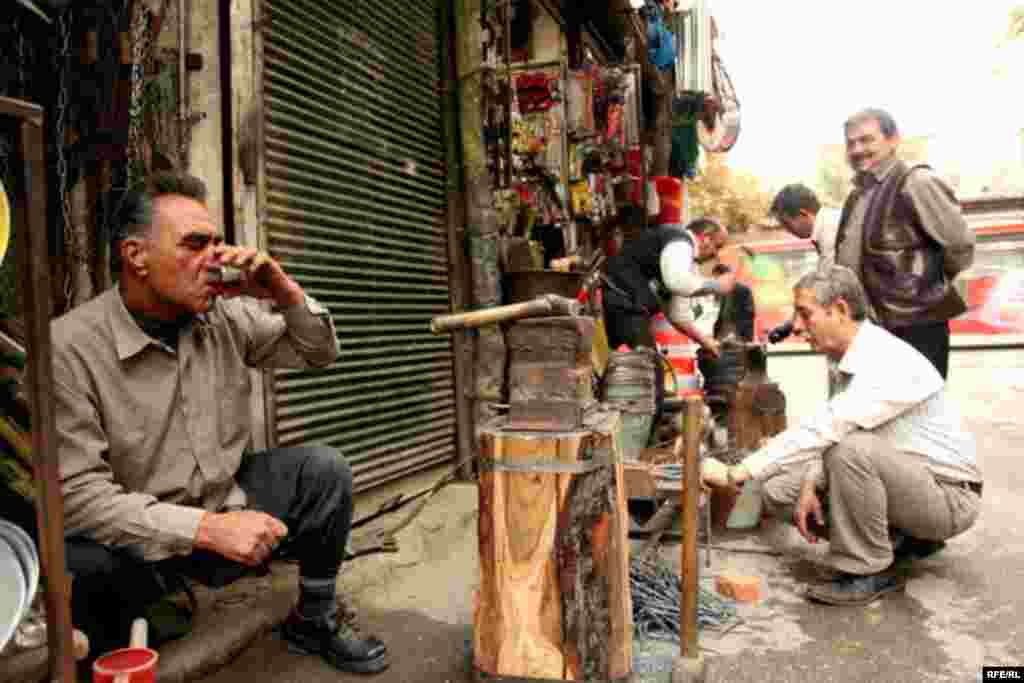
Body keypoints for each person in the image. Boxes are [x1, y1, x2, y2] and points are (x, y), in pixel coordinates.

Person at [52, 173, 389, 674]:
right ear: (135, 255)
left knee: (323, 470)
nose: (215, 258)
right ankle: (131, 636)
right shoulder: (71, 347)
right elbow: (79, 498)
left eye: (216, 243)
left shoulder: (224, 318)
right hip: (144, 541)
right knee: (84, 562)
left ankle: (312, 617)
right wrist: (207, 529)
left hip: (223, 503)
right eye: (194, 244)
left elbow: (319, 352)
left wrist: (284, 290)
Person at [702, 266, 982, 606]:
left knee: (849, 452)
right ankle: (901, 539)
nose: (799, 327)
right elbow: (842, 430)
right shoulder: (851, 360)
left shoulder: (886, 360)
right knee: (778, 490)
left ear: (840, 310)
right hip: (911, 480)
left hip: (948, 497)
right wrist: (809, 483)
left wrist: (739, 471)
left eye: (806, 314)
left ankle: (868, 569)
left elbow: (829, 428)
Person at [834, 108, 975, 379]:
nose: (857, 149)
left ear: (893, 140)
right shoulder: (857, 195)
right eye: (851, 143)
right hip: (872, 330)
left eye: (866, 140)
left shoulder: (917, 181)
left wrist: (925, 288)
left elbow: (960, 246)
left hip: (914, 327)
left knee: (917, 414)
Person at [602, 216, 733, 423]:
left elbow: (677, 313)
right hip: (621, 302)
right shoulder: (680, 241)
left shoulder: (684, 259)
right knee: (647, 374)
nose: (715, 254)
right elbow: (677, 282)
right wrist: (716, 286)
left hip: (628, 307)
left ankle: (646, 431)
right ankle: (640, 434)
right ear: (705, 237)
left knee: (650, 375)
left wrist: (706, 342)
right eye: (717, 246)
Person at [766, 183, 835, 344]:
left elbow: (827, 285)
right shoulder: (828, 226)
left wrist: (792, 323)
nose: (788, 231)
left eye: (787, 224)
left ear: (803, 214)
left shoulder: (830, 232)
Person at [711, 263, 754, 343]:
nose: (716, 281)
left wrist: (735, 334)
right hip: (723, 336)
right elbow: (721, 316)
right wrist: (716, 336)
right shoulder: (722, 292)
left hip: (740, 337)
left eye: (716, 278)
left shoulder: (743, 290)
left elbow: (749, 314)